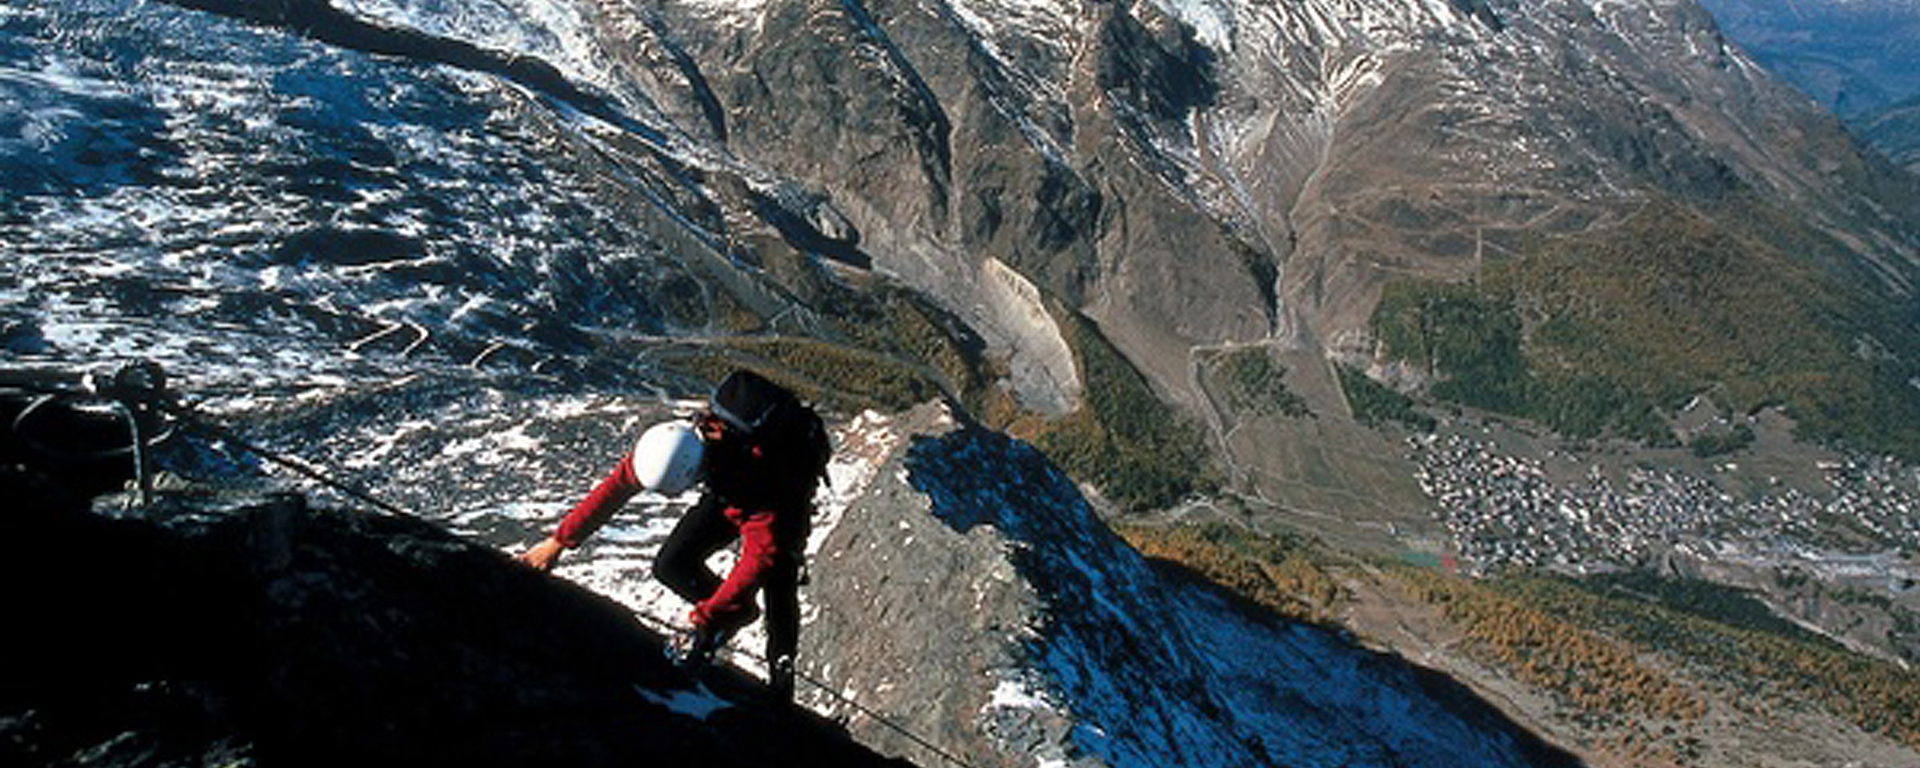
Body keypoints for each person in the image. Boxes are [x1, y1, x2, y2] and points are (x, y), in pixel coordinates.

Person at [519, 370, 830, 701]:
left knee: (779, 579)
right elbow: (616, 487)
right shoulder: (670, 447)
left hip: (778, 499)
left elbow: (760, 556)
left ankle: (781, 679)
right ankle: (733, 614)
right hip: (727, 486)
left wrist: (704, 619)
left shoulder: (762, 479)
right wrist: (557, 542)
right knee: (670, 565)